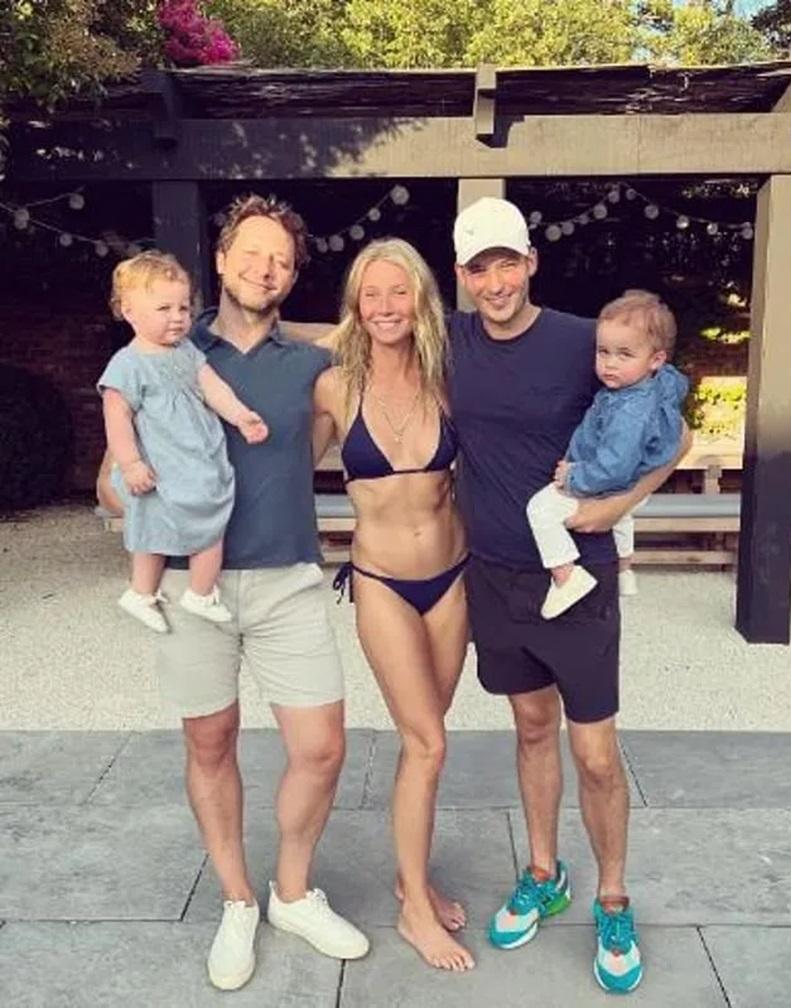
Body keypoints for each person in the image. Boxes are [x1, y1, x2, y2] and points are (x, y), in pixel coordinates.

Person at [448, 196, 690, 994]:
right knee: (529, 728)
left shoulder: (587, 340)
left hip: (578, 576)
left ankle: (613, 897)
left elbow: (678, 432)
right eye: (479, 268)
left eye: (506, 263)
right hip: (494, 574)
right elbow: (355, 329)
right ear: (462, 275)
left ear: (531, 261)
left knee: (593, 753)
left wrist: (621, 505)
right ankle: (543, 874)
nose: (495, 282)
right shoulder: (451, 340)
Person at [152, 195, 369, 991]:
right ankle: (237, 899)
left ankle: (293, 892)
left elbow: (373, 345)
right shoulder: (170, 348)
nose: (264, 268)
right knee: (210, 744)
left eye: (280, 259)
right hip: (190, 582)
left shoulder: (310, 364)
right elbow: (113, 474)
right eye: (250, 252)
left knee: (321, 747)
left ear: (293, 274)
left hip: (287, 577)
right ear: (219, 259)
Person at [312, 238, 474, 972]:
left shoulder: (448, 379)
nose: (385, 307)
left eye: (398, 292)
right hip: (381, 583)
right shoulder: (333, 387)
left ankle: (416, 879)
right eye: (371, 293)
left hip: (452, 579)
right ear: (355, 303)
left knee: (424, 747)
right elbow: (274, 460)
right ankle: (413, 911)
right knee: (428, 742)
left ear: (420, 300)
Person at [98, 251, 269, 633]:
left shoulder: (187, 352)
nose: (177, 317)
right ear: (129, 311)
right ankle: (141, 592)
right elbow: (117, 418)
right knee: (150, 528)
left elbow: (214, 388)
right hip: (160, 467)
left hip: (196, 461)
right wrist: (130, 463)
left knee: (212, 517)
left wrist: (241, 416)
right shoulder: (128, 364)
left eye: (183, 307)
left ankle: (200, 591)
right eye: (164, 308)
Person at [525, 289, 689, 619]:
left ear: (655, 360)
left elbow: (614, 466)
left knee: (540, 509)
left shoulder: (630, 412)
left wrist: (574, 477)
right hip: (632, 482)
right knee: (624, 517)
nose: (610, 363)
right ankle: (625, 570)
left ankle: (566, 576)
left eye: (624, 354)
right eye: (603, 352)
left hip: (606, 481)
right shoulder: (652, 385)